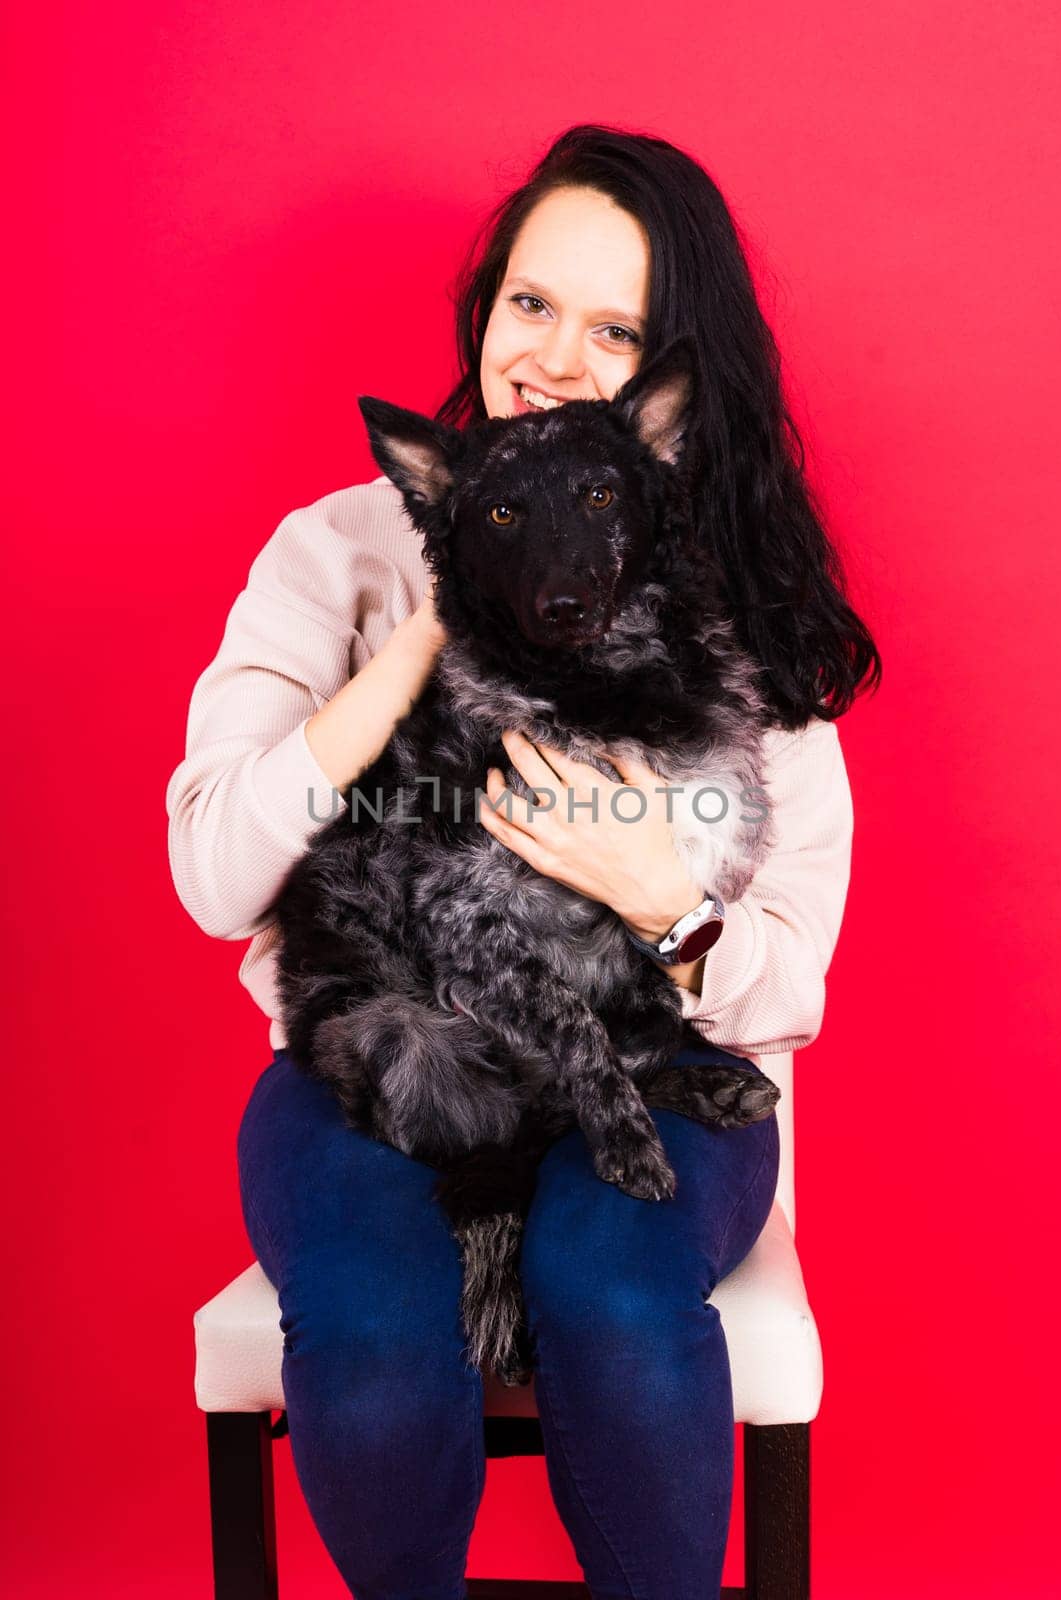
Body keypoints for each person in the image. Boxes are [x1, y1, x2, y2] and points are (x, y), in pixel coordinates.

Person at [166, 124, 880, 1600]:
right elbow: (214, 874)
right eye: (529, 305)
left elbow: (786, 976)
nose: (553, 356)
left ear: (671, 389)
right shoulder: (342, 548)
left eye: (613, 329)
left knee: (609, 1294)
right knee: (366, 1335)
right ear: (484, 311)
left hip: (655, 1067)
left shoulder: (728, 598)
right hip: (387, 1064)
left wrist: (657, 899)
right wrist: (441, 618)